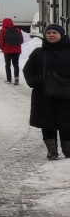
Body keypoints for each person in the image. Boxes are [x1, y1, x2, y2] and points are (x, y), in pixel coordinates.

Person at [23, 23, 70, 160]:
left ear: (61, 34)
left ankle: (68, 150)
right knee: (47, 123)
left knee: (67, 123)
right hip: (43, 95)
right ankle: (52, 151)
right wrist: (34, 81)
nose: (51, 35)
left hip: (66, 96)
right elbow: (28, 70)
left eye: (55, 32)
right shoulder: (39, 53)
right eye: (49, 33)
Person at [0, 18, 24, 84]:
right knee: (15, 64)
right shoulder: (17, 30)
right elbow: (21, 40)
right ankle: (16, 77)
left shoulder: (3, 30)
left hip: (7, 50)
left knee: (8, 64)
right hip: (16, 50)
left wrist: (2, 48)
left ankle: (9, 79)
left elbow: (1, 40)